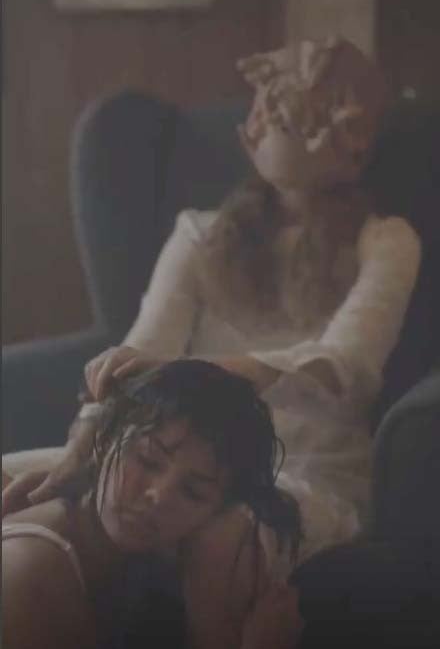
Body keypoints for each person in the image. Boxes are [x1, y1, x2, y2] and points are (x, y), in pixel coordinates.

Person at [3, 37, 421, 569]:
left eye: (282, 106)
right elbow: (142, 350)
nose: (258, 120)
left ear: (348, 134)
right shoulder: (199, 233)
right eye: (260, 104)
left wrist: (194, 372)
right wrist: (81, 446)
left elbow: (346, 364)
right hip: (170, 456)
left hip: (303, 467)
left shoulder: (386, 241)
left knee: (220, 540)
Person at [2, 359, 303, 649]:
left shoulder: (149, 560)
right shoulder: (32, 571)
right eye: (147, 461)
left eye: (193, 493)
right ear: (105, 441)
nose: (158, 495)